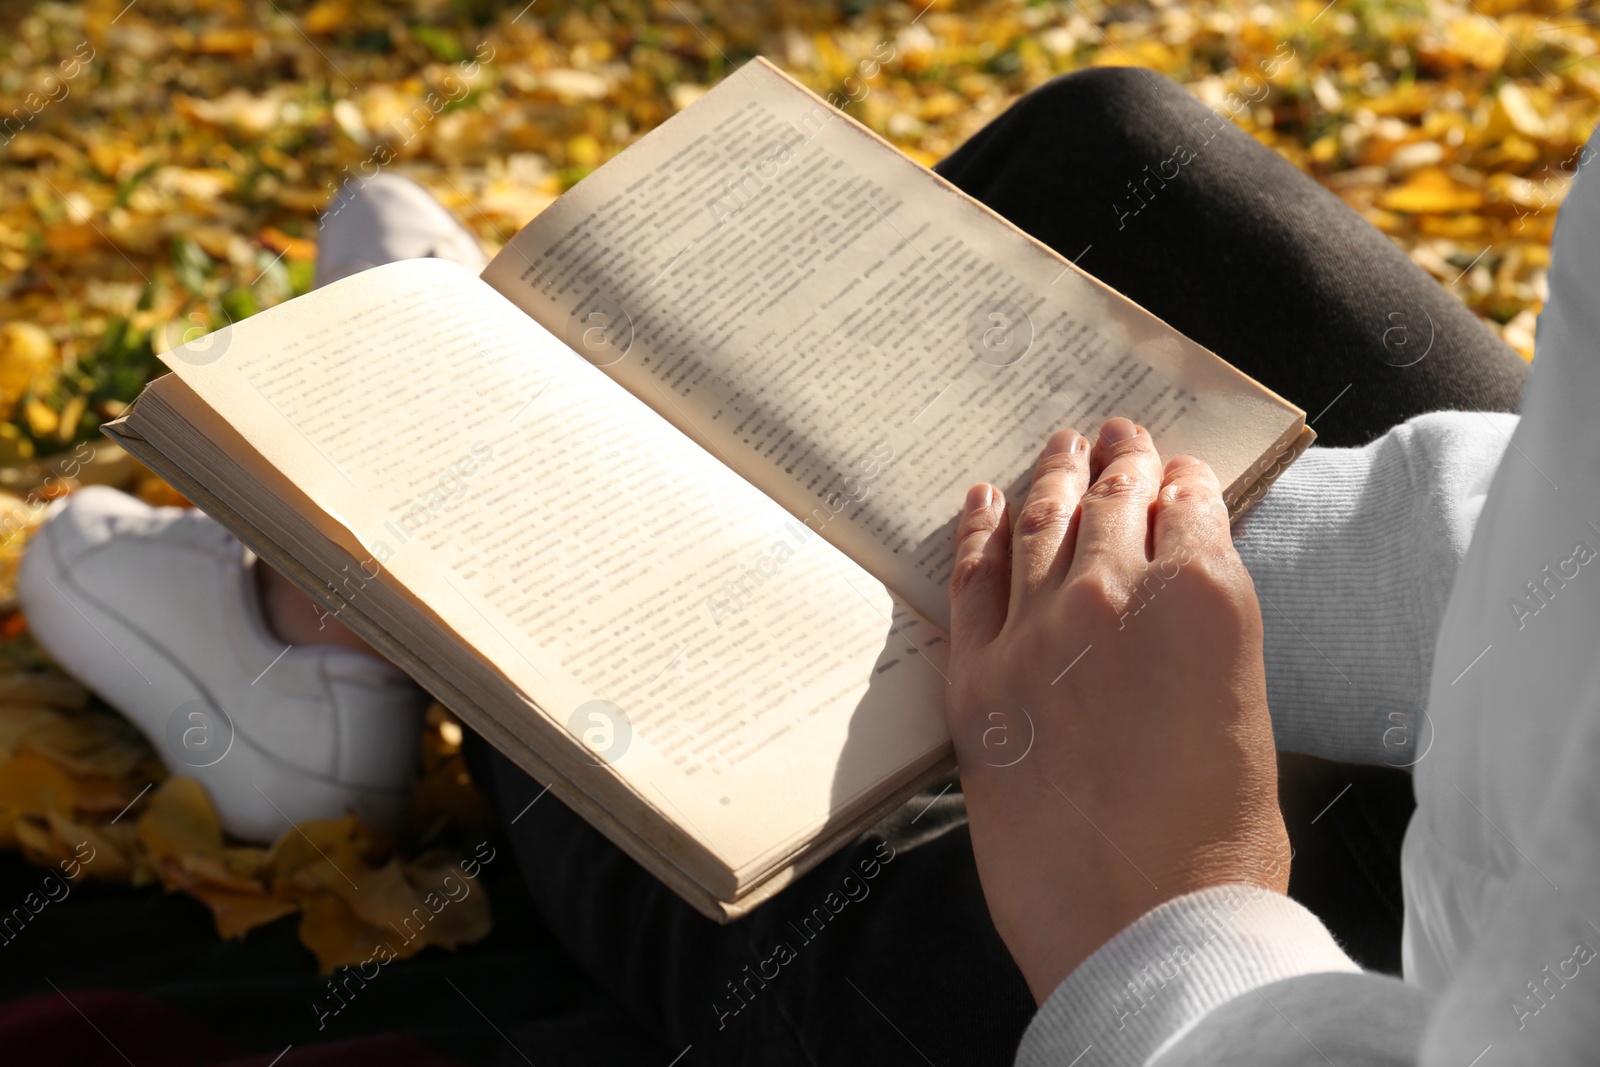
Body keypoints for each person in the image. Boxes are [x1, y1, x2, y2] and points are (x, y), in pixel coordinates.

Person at [14, 64, 1592, 1064]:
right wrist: (1174, 561)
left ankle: (365, 590)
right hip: (1515, 774)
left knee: (828, 915)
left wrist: (1165, 931)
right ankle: (471, 435)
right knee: (1109, 158)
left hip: (1370, 1002)